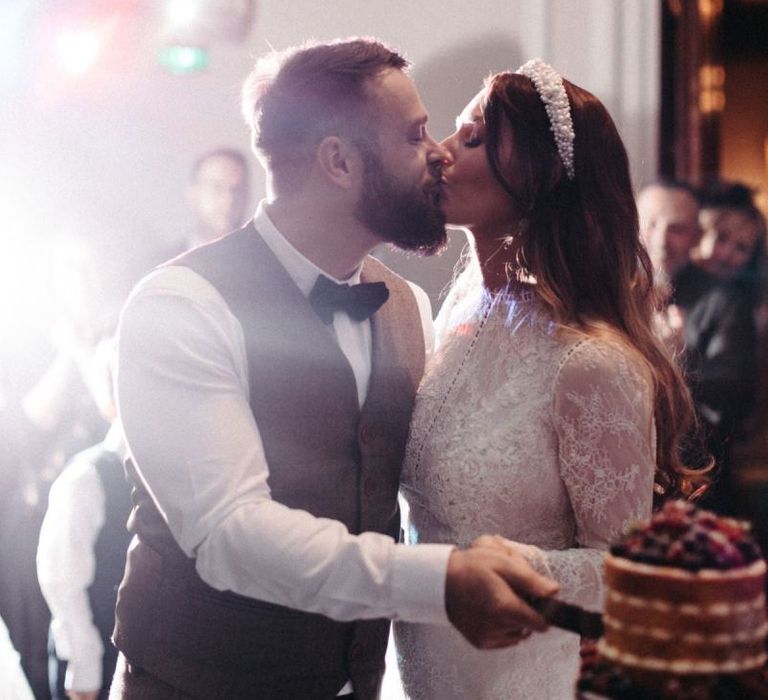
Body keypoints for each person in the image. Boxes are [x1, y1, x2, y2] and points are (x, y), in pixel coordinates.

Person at [110, 38, 558, 700]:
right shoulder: (179, 307)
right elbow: (231, 533)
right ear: (339, 161)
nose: (438, 152)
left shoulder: (407, 307)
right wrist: (436, 581)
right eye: (414, 135)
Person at [394, 60, 704, 699]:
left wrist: (508, 568)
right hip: (419, 670)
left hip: (523, 678)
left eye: (474, 138)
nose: (442, 154)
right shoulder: (460, 308)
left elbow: (627, 574)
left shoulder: (589, 362)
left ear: (539, 176)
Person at [638, 180, 758, 514]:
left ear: (694, 235)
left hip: (695, 481)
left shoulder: (724, 299)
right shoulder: (610, 289)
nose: (661, 240)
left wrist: (677, 360)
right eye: (651, 224)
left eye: (676, 229)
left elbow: (736, 396)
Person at [37, 344, 132, 700]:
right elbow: (62, 579)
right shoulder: (87, 477)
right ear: (111, 401)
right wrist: (86, 668)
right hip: (91, 656)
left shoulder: (168, 470)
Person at [185, 147, 250, 248]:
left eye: (236, 190)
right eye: (217, 188)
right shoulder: (161, 262)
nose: (228, 200)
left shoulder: (270, 260)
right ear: (194, 195)